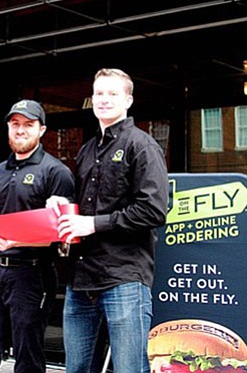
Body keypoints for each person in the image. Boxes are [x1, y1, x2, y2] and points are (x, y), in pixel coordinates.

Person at [48, 68, 169, 373]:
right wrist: (64, 205)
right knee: (76, 368)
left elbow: (154, 210)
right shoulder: (87, 150)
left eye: (112, 93)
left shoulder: (142, 146)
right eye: (99, 93)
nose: (104, 100)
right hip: (82, 278)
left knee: (129, 368)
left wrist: (93, 224)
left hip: (124, 277)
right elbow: (84, 207)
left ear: (128, 100)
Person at [0, 99, 75, 373]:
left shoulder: (56, 172)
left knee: (27, 356)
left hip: (32, 275)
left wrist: (16, 242)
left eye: (28, 125)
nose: (20, 130)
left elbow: (61, 235)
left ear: (41, 130)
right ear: (8, 127)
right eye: (15, 124)